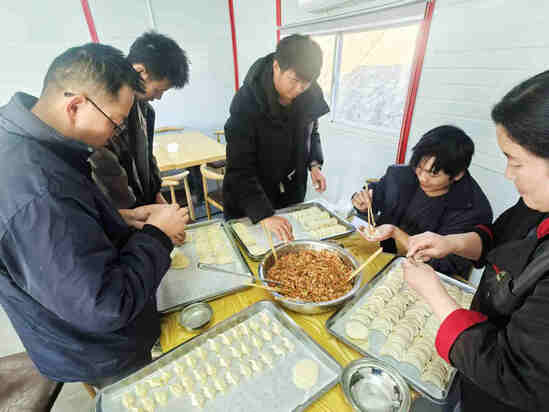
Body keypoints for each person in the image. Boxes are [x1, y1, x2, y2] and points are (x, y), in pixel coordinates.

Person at [0, 43, 189, 387]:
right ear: (75, 106)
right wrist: (157, 236)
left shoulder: (27, 142)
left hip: (78, 331)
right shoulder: (38, 191)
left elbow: (67, 229)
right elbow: (104, 305)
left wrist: (120, 219)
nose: (114, 134)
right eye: (115, 123)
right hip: (96, 349)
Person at [403, 70, 549, 411]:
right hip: (472, 369)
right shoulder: (536, 205)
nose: (508, 174)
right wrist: (450, 243)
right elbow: (498, 239)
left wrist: (434, 294)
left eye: (516, 162)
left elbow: (515, 374)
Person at [223, 34, 329, 242]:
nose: (299, 89)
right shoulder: (246, 102)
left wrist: (314, 164)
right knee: (253, 248)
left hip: (289, 192)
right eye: (294, 80)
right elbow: (240, 167)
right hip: (251, 197)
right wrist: (263, 214)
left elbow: (311, 131)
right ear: (276, 66)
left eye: (306, 83)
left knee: (290, 249)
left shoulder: (309, 94)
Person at [352, 125, 492, 278]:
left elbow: (447, 265)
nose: (422, 178)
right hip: (380, 253)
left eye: (433, 174)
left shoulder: (472, 209)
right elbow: (377, 193)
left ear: (457, 174)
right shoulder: (400, 175)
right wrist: (363, 203)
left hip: (423, 274)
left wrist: (396, 233)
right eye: (419, 167)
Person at [90, 31, 190, 230]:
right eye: (158, 90)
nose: (159, 97)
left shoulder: (145, 110)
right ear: (140, 71)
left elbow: (147, 158)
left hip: (142, 210)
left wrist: (157, 196)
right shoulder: (105, 111)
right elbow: (108, 173)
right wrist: (147, 220)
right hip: (120, 215)